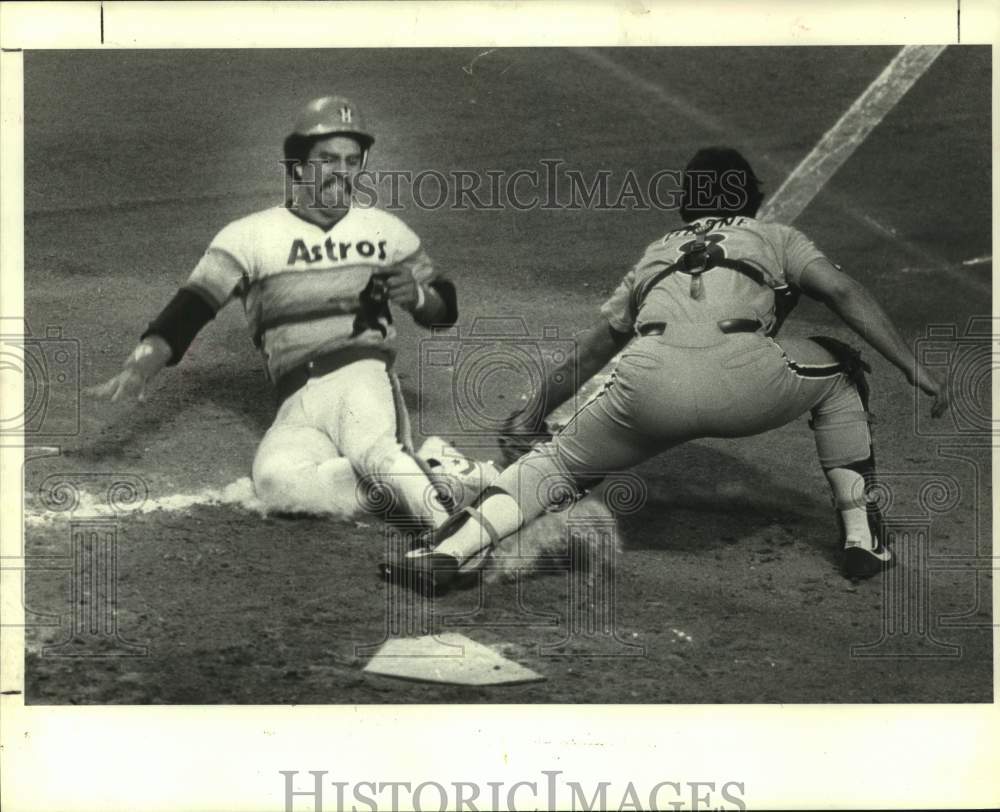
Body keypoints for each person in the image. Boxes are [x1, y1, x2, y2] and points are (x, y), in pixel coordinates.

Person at [383, 146, 950, 592]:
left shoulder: (659, 252)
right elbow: (844, 291)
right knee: (842, 370)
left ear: (687, 205)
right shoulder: (775, 237)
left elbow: (594, 349)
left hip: (645, 385)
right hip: (748, 381)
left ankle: (446, 553)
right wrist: (910, 367)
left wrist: (532, 409)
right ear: (750, 200)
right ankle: (861, 537)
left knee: (550, 465)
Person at [88, 96, 458, 529]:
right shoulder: (250, 236)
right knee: (277, 483)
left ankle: (455, 534)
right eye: (327, 159)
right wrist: (143, 362)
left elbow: (443, 307)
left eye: (352, 161)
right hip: (296, 398)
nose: (342, 172)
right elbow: (193, 305)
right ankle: (434, 471)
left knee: (373, 449)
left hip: (361, 376)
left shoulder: (385, 229)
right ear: (298, 166)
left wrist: (417, 297)